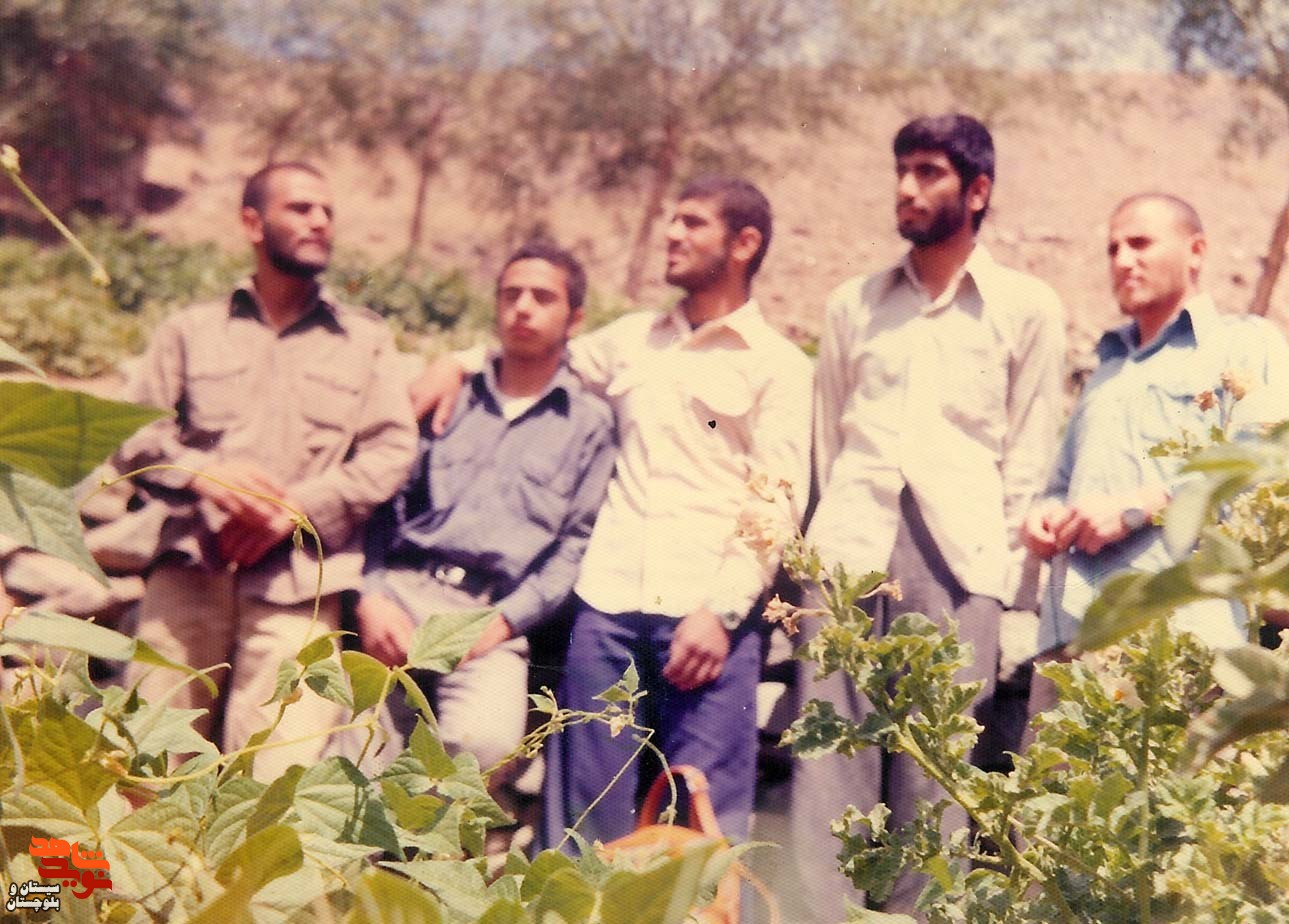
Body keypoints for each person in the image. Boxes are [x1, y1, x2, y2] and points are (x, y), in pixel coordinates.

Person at [410, 176, 812, 848]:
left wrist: (721, 613)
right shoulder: (631, 339)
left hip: (707, 620)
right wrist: (457, 362)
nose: (671, 233)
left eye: (692, 223)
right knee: (581, 819)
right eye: (672, 220)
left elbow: (776, 501)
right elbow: (538, 356)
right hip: (607, 610)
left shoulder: (778, 365)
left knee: (697, 827)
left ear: (744, 244)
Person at [794, 113, 1066, 917]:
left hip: (959, 563)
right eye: (901, 171)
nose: (906, 188)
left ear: (976, 191)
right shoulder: (853, 304)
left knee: (935, 780)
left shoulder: (1025, 307)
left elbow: (1028, 454)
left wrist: (1010, 598)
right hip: (848, 554)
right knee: (828, 770)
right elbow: (826, 439)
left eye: (927, 173)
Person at [111, 162, 418, 781]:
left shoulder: (364, 340)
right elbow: (129, 433)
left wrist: (293, 511)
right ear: (253, 223)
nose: (320, 221)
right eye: (300, 208)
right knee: (149, 764)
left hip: (297, 589)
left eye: (327, 211)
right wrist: (206, 475)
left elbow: (391, 450)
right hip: (191, 570)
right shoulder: (191, 330)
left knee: (278, 777)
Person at [355, 241, 616, 779]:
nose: (523, 308)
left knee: (484, 747)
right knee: (355, 744)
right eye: (511, 294)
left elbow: (574, 547)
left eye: (542, 297)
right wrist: (372, 595)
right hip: (401, 596)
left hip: (488, 614)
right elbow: (382, 502)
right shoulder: (448, 395)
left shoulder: (588, 424)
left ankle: (415, 834)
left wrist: (503, 622)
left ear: (576, 319)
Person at [1023, 193, 1289, 666]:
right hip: (1071, 633)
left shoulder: (1244, 343)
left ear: (1196, 251)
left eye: (1140, 243)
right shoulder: (1105, 372)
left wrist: (1138, 507)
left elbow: (1264, 467)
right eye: (1113, 249)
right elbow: (1060, 486)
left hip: (1184, 633)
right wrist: (1044, 516)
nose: (1123, 260)